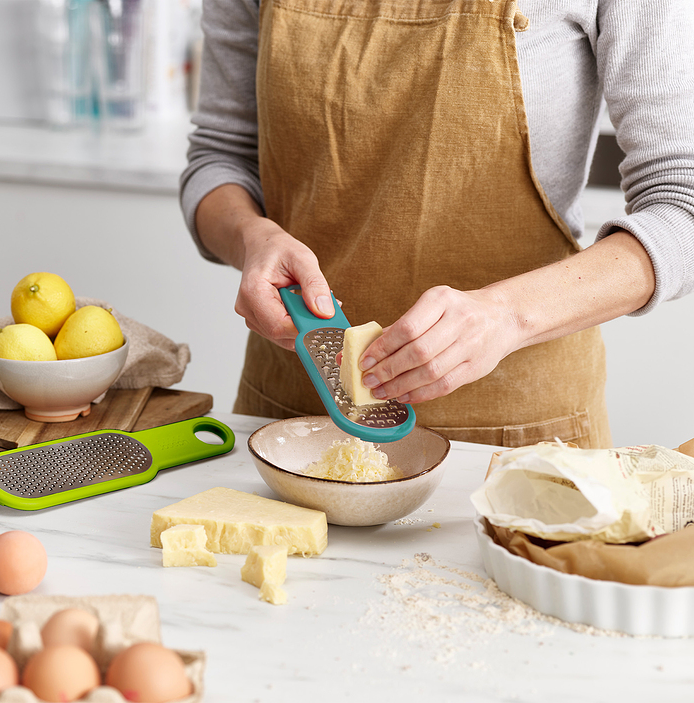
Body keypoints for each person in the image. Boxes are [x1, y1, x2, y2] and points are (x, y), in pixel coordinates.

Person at [179, 0, 694, 449]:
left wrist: (505, 316)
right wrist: (253, 238)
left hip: (519, 442)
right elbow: (220, 156)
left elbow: (682, 204)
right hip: (295, 422)